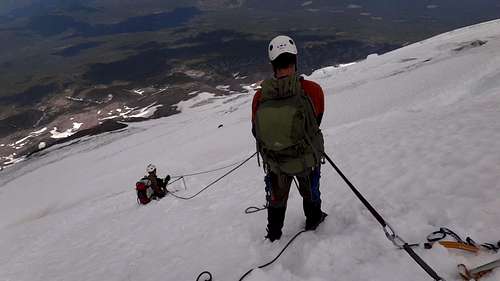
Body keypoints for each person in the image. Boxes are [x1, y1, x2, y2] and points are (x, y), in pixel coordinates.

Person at [252, 35, 327, 242]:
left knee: (277, 198)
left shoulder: (260, 97)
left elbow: (256, 131)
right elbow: (316, 122)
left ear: (272, 64)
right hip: (305, 159)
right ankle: (313, 221)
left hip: (276, 163)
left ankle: (274, 235)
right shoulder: (312, 90)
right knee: (310, 192)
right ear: (295, 60)